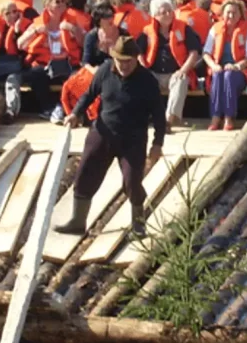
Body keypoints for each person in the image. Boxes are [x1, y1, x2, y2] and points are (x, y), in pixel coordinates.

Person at [58, 37, 166, 237]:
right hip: (103, 131)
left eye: (129, 61)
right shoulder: (105, 70)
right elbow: (88, 95)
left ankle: (138, 225)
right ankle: (77, 221)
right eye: (120, 61)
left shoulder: (148, 80)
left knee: (132, 181)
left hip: (133, 138)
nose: (124, 65)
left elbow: (159, 115)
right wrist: (75, 113)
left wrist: (157, 144)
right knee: (85, 173)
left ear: (136, 59)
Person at [18, 0, 85, 119]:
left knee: (76, 78)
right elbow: (20, 44)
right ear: (47, 4)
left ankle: (70, 109)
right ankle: (48, 108)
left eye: (63, 1)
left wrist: (73, 29)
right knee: (36, 74)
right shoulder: (38, 22)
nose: (61, 5)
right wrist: (35, 32)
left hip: (67, 64)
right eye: (57, 2)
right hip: (46, 65)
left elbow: (84, 42)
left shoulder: (71, 21)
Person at [138, 0, 201, 127]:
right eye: (163, 12)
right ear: (155, 15)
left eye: (170, 11)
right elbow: (138, 52)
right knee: (141, 81)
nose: (168, 14)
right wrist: (144, 69)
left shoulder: (184, 28)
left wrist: (183, 70)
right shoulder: (146, 31)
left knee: (181, 80)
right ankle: (142, 118)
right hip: (154, 73)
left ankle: (168, 121)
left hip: (176, 72)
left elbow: (194, 52)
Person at [59, 2, 124, 124]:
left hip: (118, 69)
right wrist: (95, 71)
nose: (110, 19)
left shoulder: (123, 34)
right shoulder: (92, 36)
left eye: (112, 15)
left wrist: (112, 52)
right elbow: (86, 62)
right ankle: (84, 115)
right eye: (106, 16)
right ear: (99, 20)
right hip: (95, 70)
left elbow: (129, 58)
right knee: (78, 83)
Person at [202, 0, 247, 131]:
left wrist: (237, 66)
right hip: (219, 70)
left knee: (229, 75)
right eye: (228, 12)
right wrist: (213, 65)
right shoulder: (215, 29)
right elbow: (206, 53)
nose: (231, 16)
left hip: (241, 71)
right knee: (217, 75)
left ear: (241, 14)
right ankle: (215, 117)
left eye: (235, 13)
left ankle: (229, 117)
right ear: (223, 14)